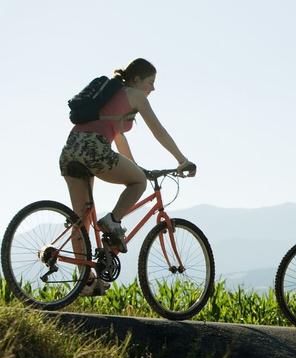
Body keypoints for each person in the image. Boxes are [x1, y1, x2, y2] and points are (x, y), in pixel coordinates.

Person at [59, 58, 196, 296]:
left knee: (82, 222)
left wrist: (133, 167)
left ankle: (85, 280)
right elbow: (159, 131)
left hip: (71, 149)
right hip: (95, 148)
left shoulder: (113, 97)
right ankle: (113, 221)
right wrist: (182, 160)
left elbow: (120, 139)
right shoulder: (135, 95)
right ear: (136, 79)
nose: (153, 88)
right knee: (139, 183)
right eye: (150, 82)